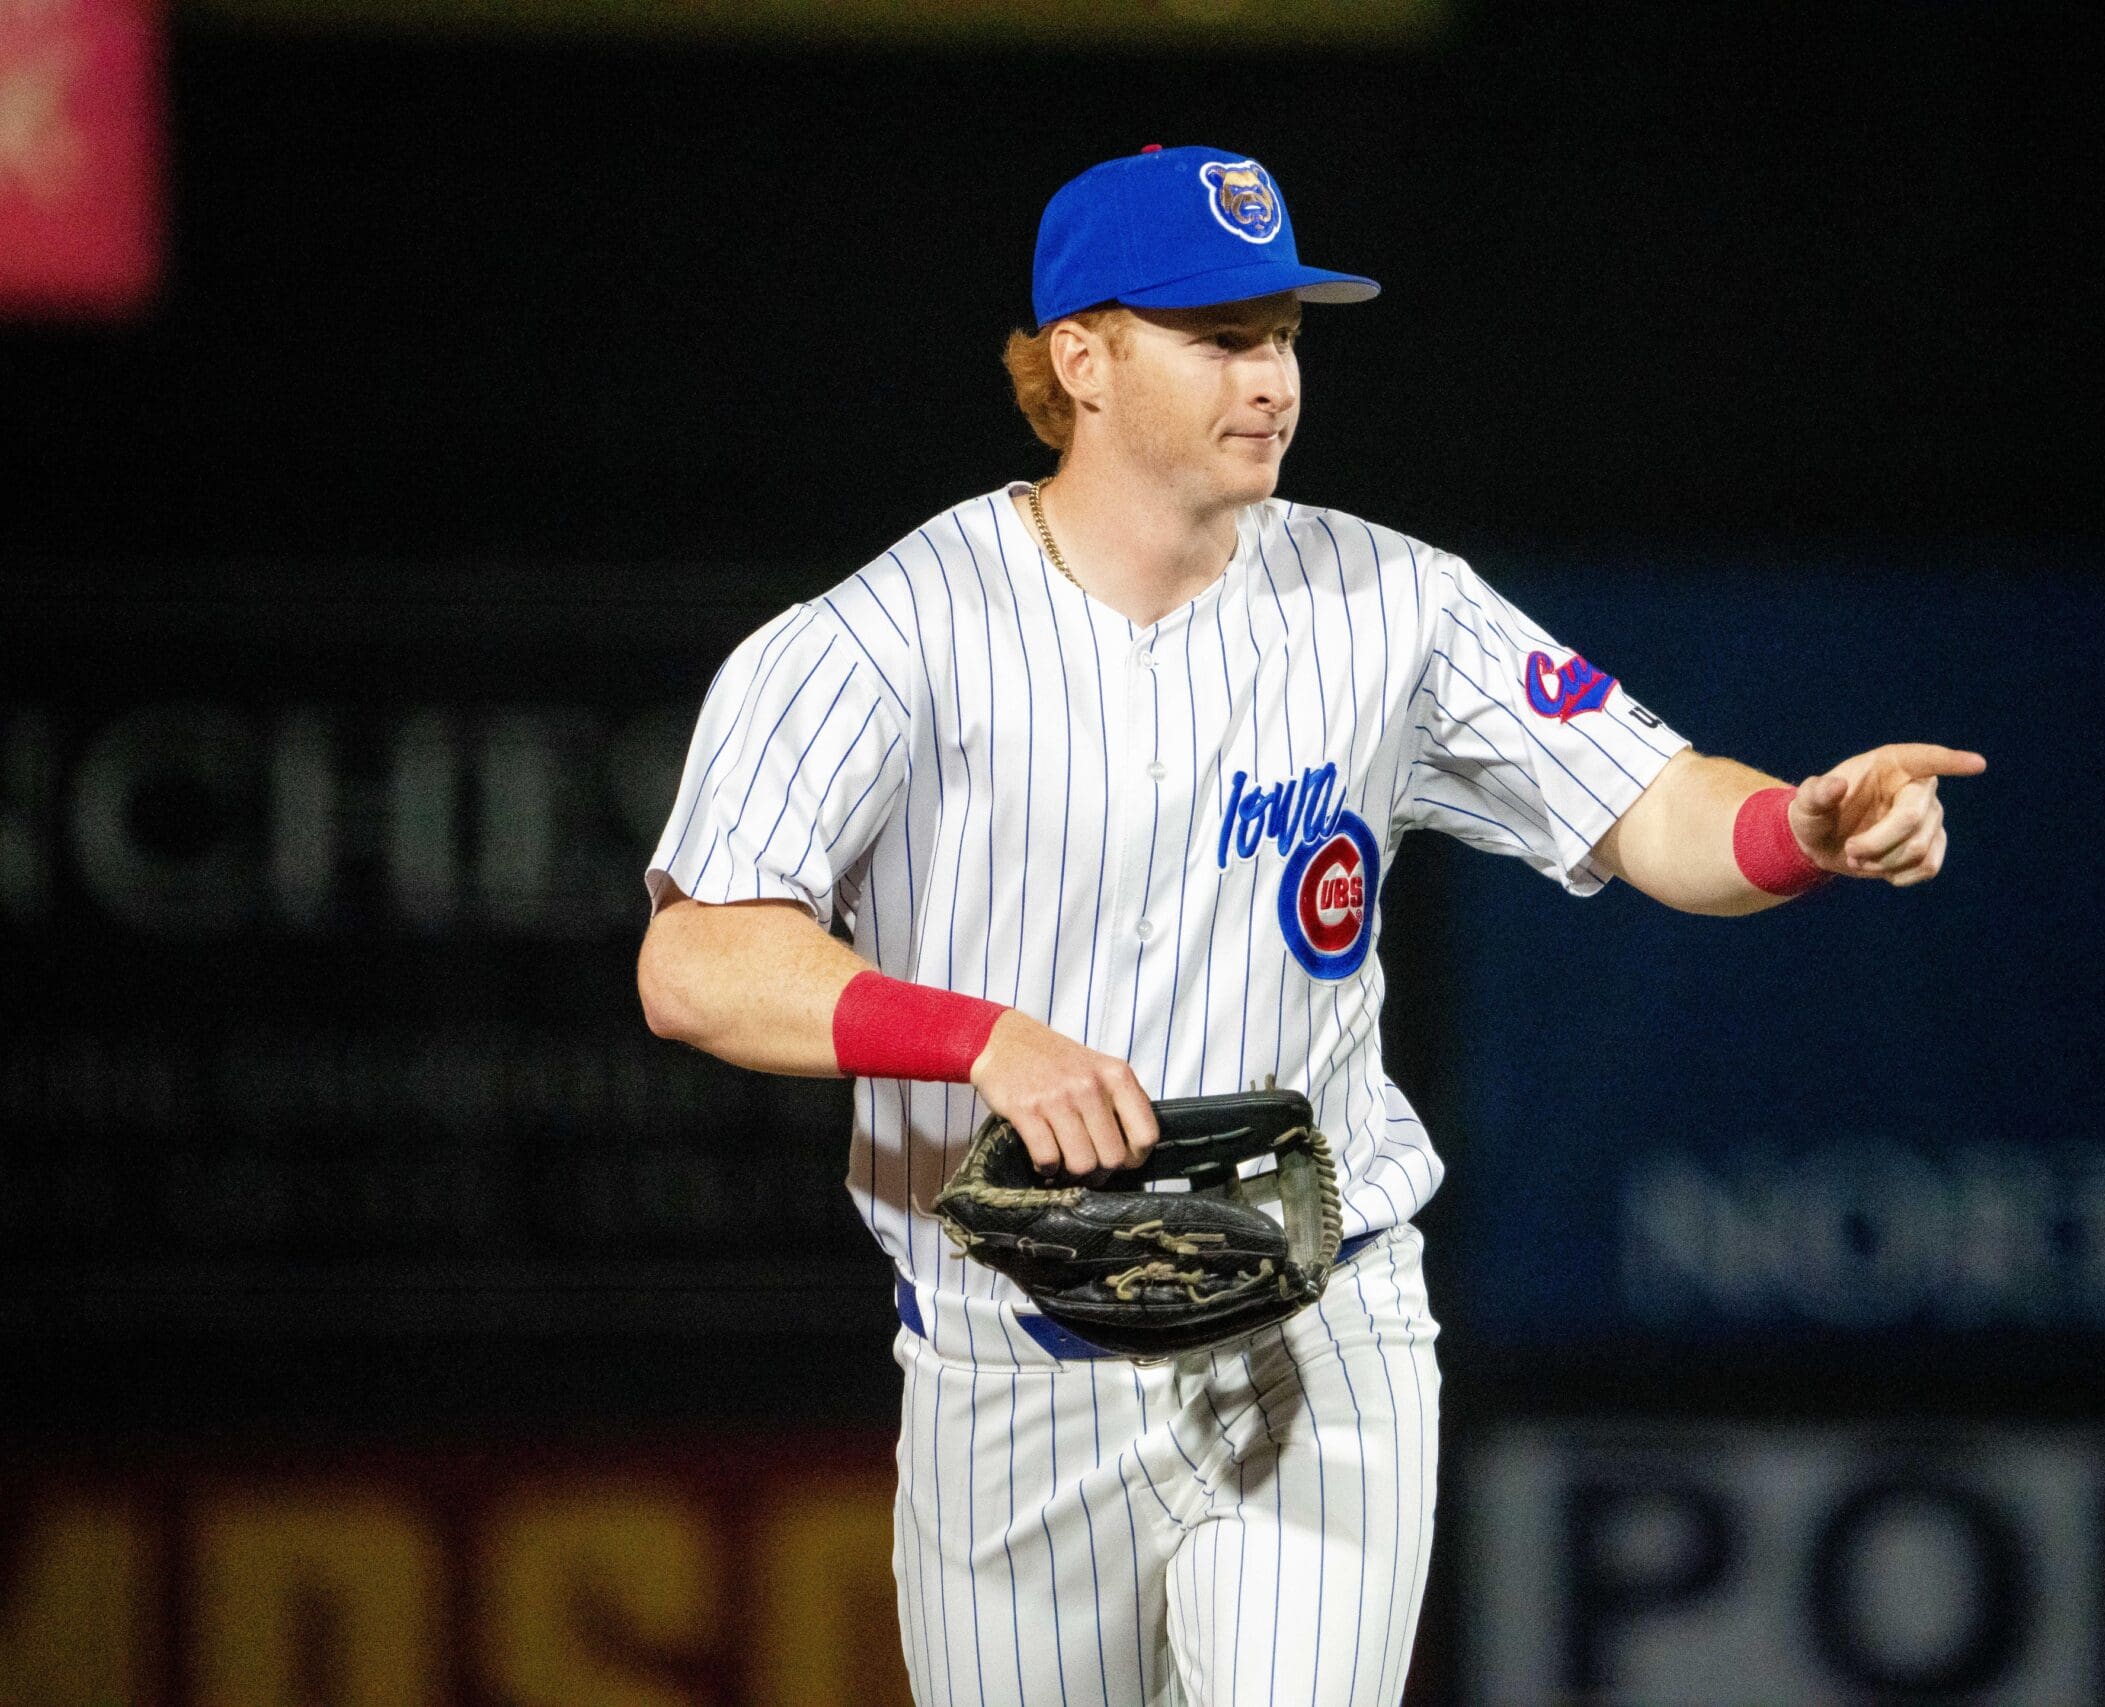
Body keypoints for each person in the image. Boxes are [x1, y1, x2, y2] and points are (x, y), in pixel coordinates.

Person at [636, 143, 1981, 1707]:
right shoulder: (880, 636)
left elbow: (1655, 807)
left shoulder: (1390, 600)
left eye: (1282, 333)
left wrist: (1797, 829)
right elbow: (698, 961)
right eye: (1218, 337)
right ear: (1082, 358)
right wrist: (976, 1036)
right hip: (1011, 1359)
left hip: (1313, 1330)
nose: (1269, 376)